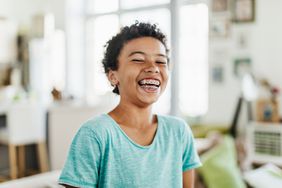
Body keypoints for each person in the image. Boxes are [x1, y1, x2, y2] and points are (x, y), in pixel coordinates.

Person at [59, 22, 201, 188]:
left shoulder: (179, 132)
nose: (153, 68)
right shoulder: (95, 134)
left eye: (161, 62)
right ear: (113, 76)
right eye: (138, 59)